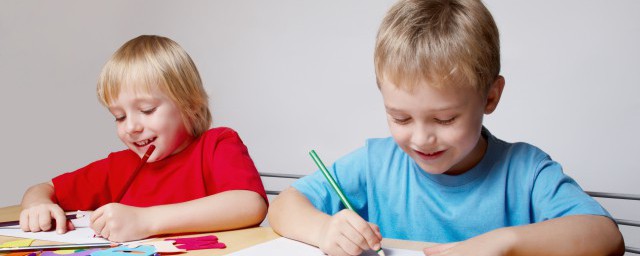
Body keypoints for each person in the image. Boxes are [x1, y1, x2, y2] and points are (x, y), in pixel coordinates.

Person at [268, 0, 625, 255]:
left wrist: (503, 242)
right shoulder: (376, 163)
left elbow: (606, 235)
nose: (421, 138)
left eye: (445, 119)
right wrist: (324, 229)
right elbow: (284, 206)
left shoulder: (525, 171)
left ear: (490, 97)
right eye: (401, 118)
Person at [19, 35, 268, 242]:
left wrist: (144, 221)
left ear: (190, 105)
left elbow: (250, 204)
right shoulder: (118, 167)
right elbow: (43, 189)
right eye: (119, 116)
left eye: (147, 110)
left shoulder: (216, 145)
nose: (131, 127)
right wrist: (38, 206)